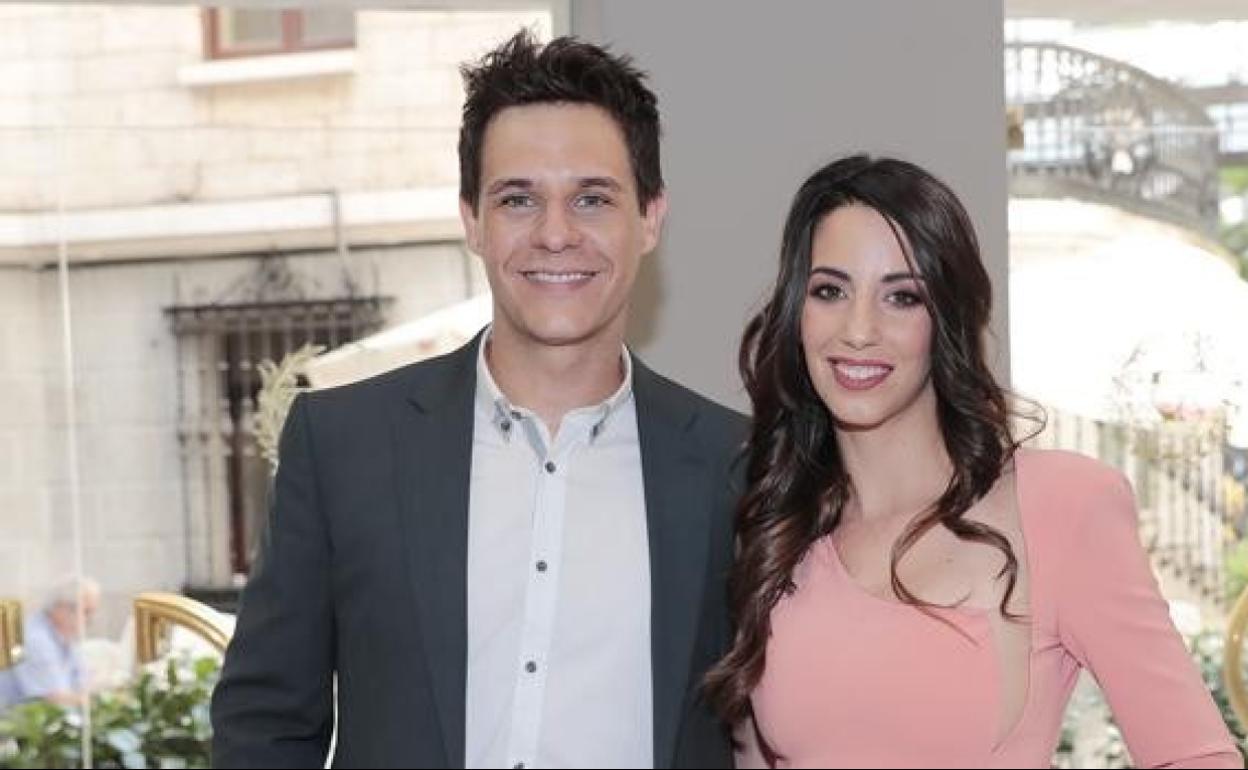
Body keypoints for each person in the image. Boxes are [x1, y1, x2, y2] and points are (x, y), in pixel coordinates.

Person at [211, 30, 745, 769]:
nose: (555, 234)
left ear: (650, 217)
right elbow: (264, 726)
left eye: (592, 199)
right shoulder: (342, 446)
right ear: (472, 220)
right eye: (518, 199)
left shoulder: (738, 465)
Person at [703, 155, 1240, 768]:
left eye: (902, 296)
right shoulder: (775, 530)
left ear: (947, 320)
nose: (859, 329)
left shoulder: (1061, 506)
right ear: (796, 312)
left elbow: (1197, 757)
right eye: (830, 291)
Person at [0, 577, 100, 710]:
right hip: (17, 720)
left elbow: (83, 683)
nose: (90, 620)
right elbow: (55, 701)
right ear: (61, 609)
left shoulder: (65, 638)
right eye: (86, 612)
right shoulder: (34, 640)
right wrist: (101, 702)